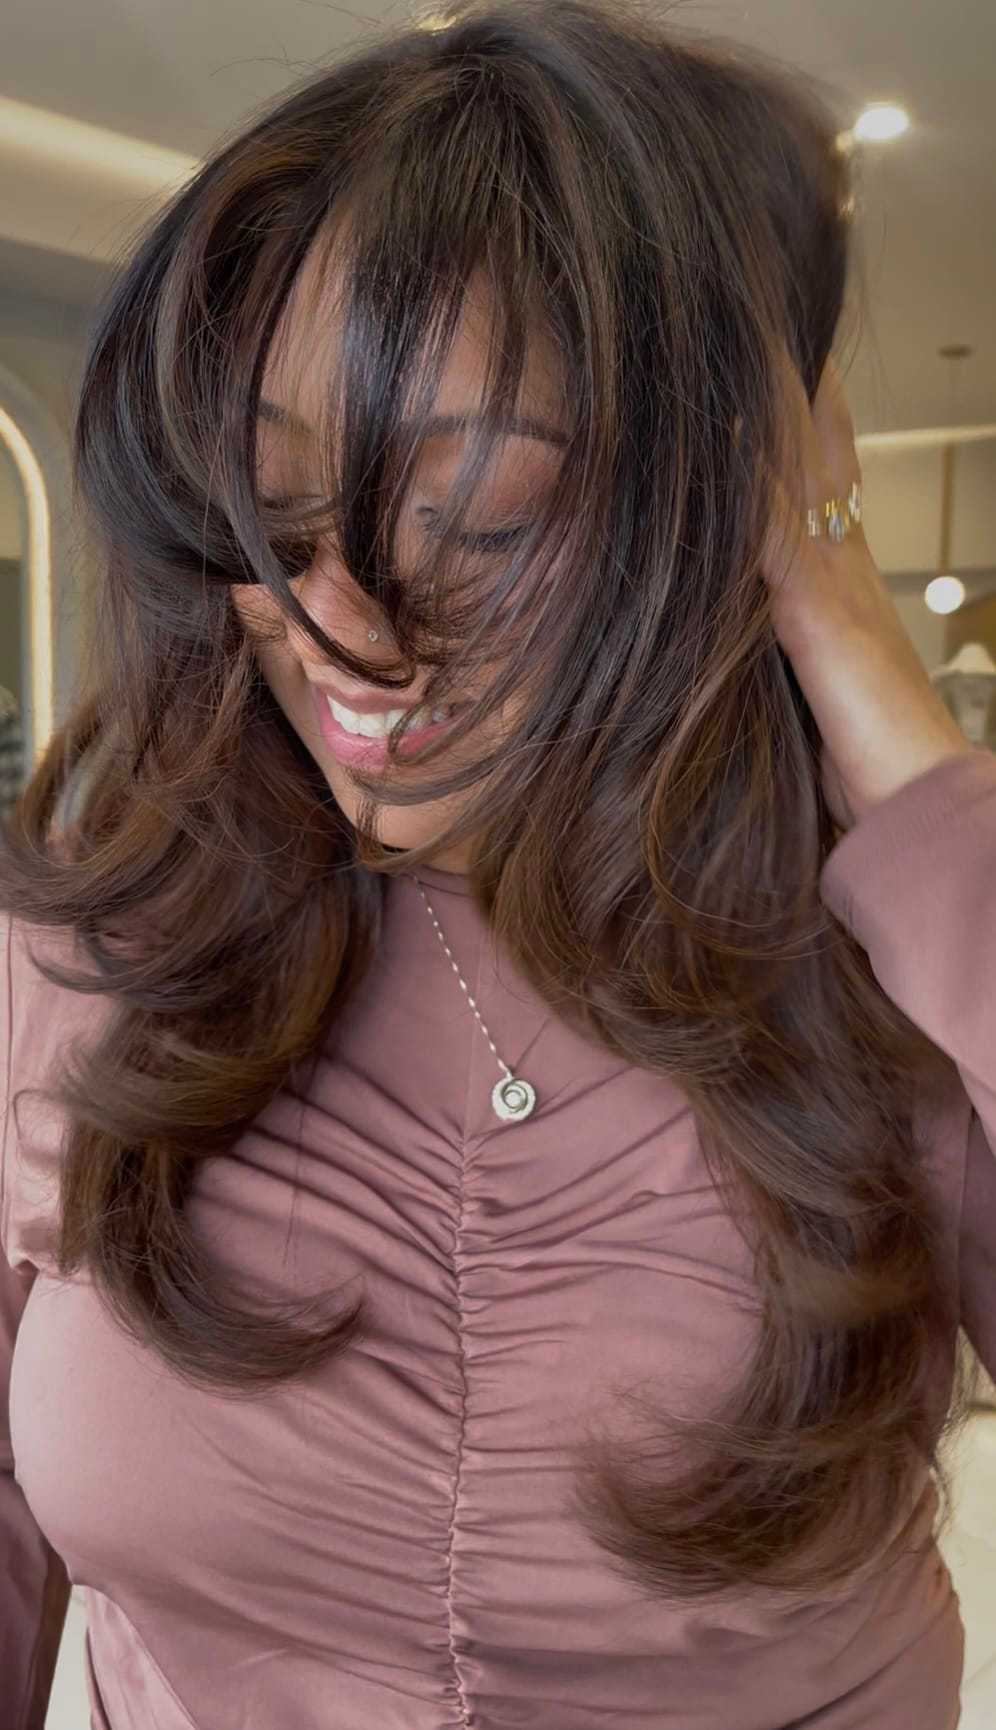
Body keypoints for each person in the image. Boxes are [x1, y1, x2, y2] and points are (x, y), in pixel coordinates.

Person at [1, 2, 993, 1725]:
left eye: (483, 530)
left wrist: (862, 664)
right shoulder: (101, 934)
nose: (339, 633)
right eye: (272, 522)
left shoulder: (897, 960)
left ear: (716, 508)